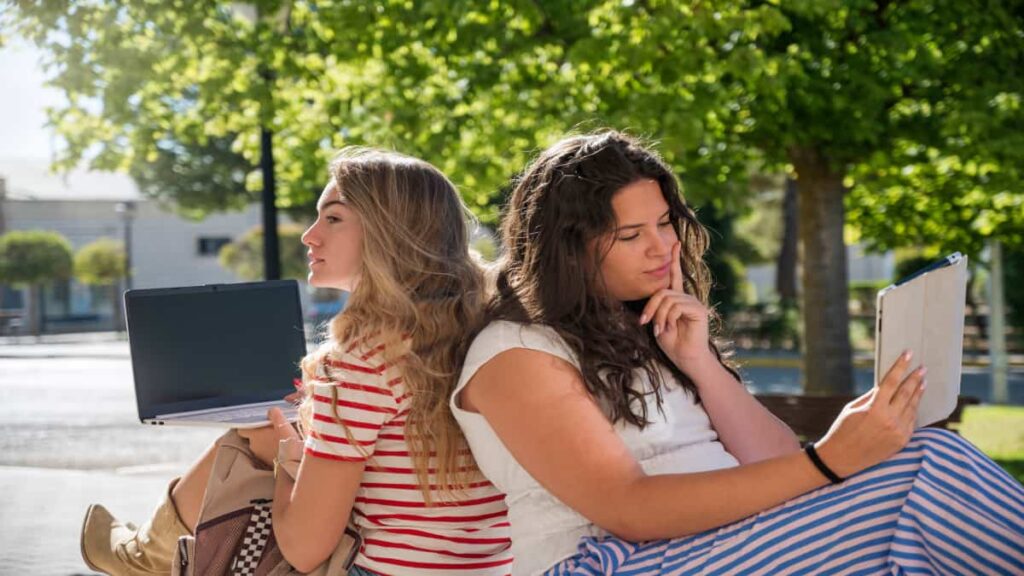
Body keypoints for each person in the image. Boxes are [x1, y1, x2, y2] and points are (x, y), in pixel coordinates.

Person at [451, 131, 1024, 575]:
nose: (661, 247)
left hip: (724, 547)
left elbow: (771, 461)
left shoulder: (653, 332)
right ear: (567, 250)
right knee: (929, 466)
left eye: (665, 223)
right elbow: (628, 508)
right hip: (613, 560)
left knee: (926, 464)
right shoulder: (516, 351)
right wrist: (829, 461)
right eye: (631, 236)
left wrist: (699, 363)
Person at [81, 148, 512, 576]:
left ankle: (145, 557)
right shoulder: (491, 331)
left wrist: (291, 455)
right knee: (265, 430)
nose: (309, 235)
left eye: (333, 218)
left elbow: (304, 550)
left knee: (260, 437)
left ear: (391, 233)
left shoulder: (363, 359)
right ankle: (144, 554)